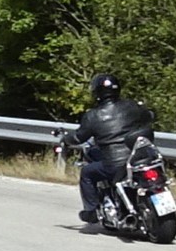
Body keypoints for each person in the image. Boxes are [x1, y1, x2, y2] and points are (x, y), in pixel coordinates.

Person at [60, 73, 156, 225]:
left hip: (116, 163)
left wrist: (65, 139)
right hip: (143, 157)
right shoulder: (132, 106)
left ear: (97, 92)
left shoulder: (93, 116)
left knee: (87, 172)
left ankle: (91, 212)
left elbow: (79, 138)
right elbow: (149, 115)